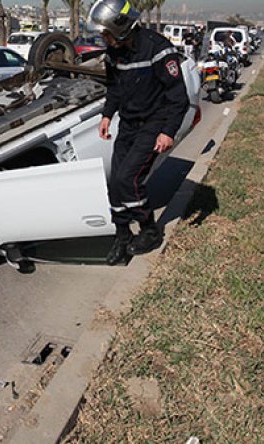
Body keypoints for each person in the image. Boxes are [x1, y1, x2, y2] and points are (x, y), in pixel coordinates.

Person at [89, 0, 189, 266]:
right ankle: (122, 234)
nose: (103, 38)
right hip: (129, 124)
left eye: (106, 33)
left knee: (128, 179)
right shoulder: (114, 52)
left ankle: (149, 229)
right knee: (115, 185)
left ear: (121, 28)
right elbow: (114, 88)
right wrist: (107, 114)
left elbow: (179, 98)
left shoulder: (158, 50)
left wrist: (168, 132)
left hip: (153, 124)